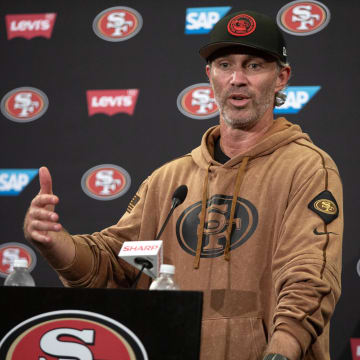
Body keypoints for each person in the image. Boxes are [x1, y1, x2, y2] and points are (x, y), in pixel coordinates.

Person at [23, 10, 343, 360]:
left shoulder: (307, 168)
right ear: (210, 76)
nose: (237, 78)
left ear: (281, 78)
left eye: (253, 65)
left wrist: (281, 351)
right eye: (225, 65)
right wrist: (56, 244)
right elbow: (114, 266)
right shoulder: (169, 180)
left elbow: (309, 276)